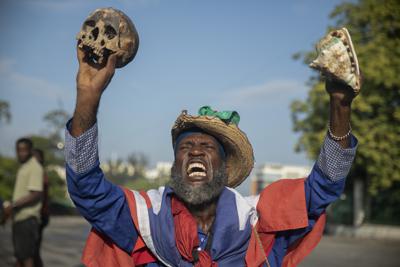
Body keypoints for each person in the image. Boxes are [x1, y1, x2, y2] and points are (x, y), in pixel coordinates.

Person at [65, 32, 359, 266]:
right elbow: (85, 186)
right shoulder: (144, 218)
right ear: (173, 164)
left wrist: (339, 104)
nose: (194, 151)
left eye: (207, 146)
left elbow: (324, 186)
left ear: (224, 166)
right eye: (186, 147)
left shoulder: (257, 224)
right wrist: (88, 95)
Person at [3, 138, 44, 267]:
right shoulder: (24, 167)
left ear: (30, 151)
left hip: (28, 219)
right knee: (20, 257)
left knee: (27, 258)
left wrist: (13, 205)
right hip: (19, 218)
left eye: (24, 150)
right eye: (18, 150)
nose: (21, 153)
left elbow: (36, 193)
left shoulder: (35, 167)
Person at [32, 148, 50, 267]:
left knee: (32, 251)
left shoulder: (40, 174)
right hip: (39, 215)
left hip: (39, 215)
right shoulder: (38, 173)